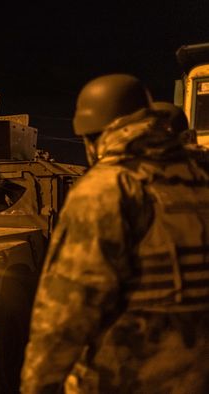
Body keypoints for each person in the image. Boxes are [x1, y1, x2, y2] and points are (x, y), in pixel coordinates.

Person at [20, 74, 209, 393]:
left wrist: (37, 385)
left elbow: (65, 312)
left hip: (127, 378)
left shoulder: (107, 188)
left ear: (92, 137)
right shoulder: (199, 176)